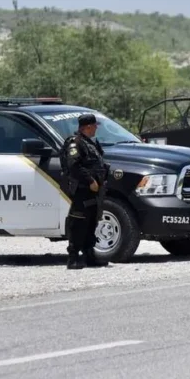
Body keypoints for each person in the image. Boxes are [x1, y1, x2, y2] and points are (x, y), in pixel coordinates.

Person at [60, 113, 110, 269]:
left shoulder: (91, 143)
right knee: (79, 222)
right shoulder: (76, 144)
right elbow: (74, 166)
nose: (96, 128)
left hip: (94, 191)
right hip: (82, 190)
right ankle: (73, 258)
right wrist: (90, 181)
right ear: (87, 127)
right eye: (94, 125)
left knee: (91, 222)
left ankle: (89, 255)